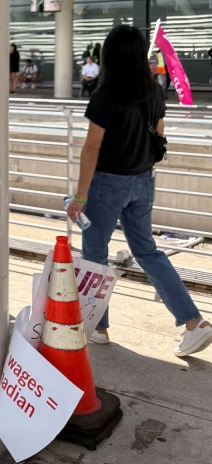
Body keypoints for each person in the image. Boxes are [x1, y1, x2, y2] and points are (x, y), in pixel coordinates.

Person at [67, 25, 211, 357]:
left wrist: (80, 196)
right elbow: (159, 134)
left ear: (109, 56)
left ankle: (98, 328)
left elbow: (91, 149)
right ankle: (194, 323)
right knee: (147, 252)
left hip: (108, 182)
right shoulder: (153, 90)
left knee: (95, 255)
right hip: (144, 180)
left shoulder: (105, 95)